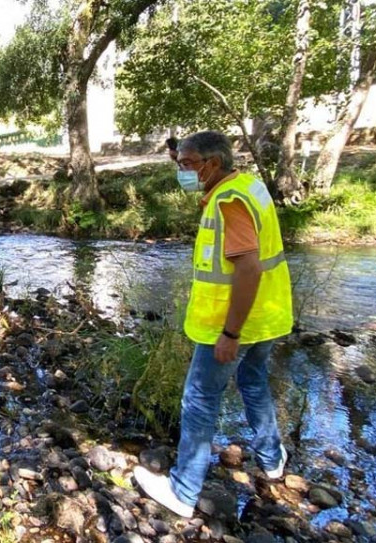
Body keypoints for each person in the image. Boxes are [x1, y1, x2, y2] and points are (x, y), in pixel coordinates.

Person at [133, 131, 293, 518]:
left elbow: (249, 267)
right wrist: (176, 151)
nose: (183, 171)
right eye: (179, 164)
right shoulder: (247, 185)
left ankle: (183, 492)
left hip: (232, 324)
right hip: (267, 317)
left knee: (200, 401)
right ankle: (272, 461)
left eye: (187, 165)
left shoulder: (229, 202)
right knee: (253, 384)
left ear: (212, 164)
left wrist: (230, 334)